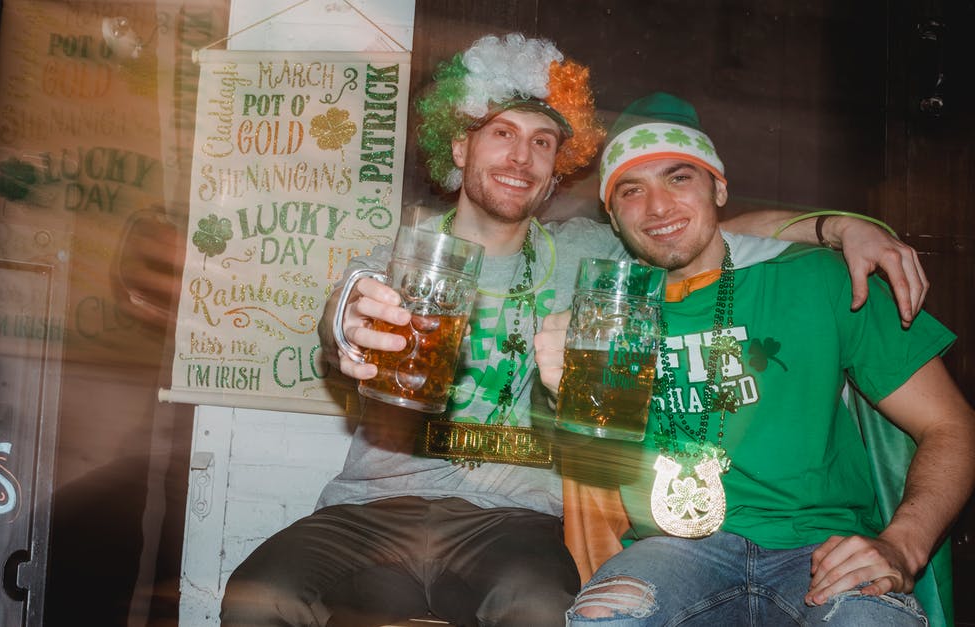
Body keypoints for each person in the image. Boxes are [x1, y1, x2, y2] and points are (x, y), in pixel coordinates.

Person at [220, 34, 927, 627]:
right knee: (256, 599)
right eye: (500, 133)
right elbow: (343, 319)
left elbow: (694, 226)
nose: (521, 157)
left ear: (559, 165)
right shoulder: (402, 258)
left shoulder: (593, 253)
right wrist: (345, 326)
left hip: (511, 521)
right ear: (460, 148)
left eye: (542, 141)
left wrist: (839, 227)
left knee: (540, 607)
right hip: (372, 510)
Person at [534, 92, 975, 626]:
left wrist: (902, 545)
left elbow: (951, 425)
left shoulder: (820, 279)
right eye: (632, 190)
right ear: (612, 215)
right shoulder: (611, 308)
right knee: (611, 616)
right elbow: (592, 465)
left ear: (719, 188)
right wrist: (562, 393)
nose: (657, 208)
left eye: (679, 178)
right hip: (673, 553)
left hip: (821, 549)